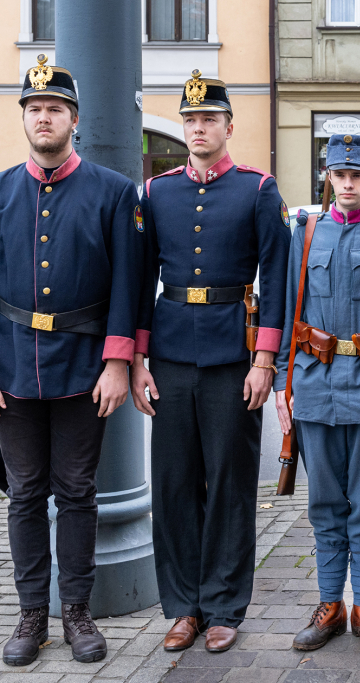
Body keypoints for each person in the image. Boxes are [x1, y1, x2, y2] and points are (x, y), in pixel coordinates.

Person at [129, 69, 290, 654]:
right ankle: (183, 606)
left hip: (232, 354)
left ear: (228, 125)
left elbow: (277, 279)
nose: (198, 129)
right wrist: (138, 359)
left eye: (209, 120)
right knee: (172, 484)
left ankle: (223, 605)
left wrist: (265, 359)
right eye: (191, 119)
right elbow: (140, 278)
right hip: (170, 352)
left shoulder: (257, 189)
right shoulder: (157, 192)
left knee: (229, 482)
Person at [0, 55, 144, 666]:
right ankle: (32, 615)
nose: (44, 118)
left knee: (78, 491)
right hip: (11, 368)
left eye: (55, 109)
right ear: (25, 120)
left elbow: (128, 287)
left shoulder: (113, 192)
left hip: (85, 366)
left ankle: (77, 611)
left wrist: (117, 362)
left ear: (73, 120)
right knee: (25, 492)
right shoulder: (2, 190)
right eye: (34, 110)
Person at [275, 134, 360, 654]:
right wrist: (281, 385)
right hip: (314, 383)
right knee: (324, 503)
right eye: (340, 174)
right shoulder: (306, 232)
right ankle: (330, 604)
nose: (349, 183)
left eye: (359, 175)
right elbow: (288, 310)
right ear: (328, 176)